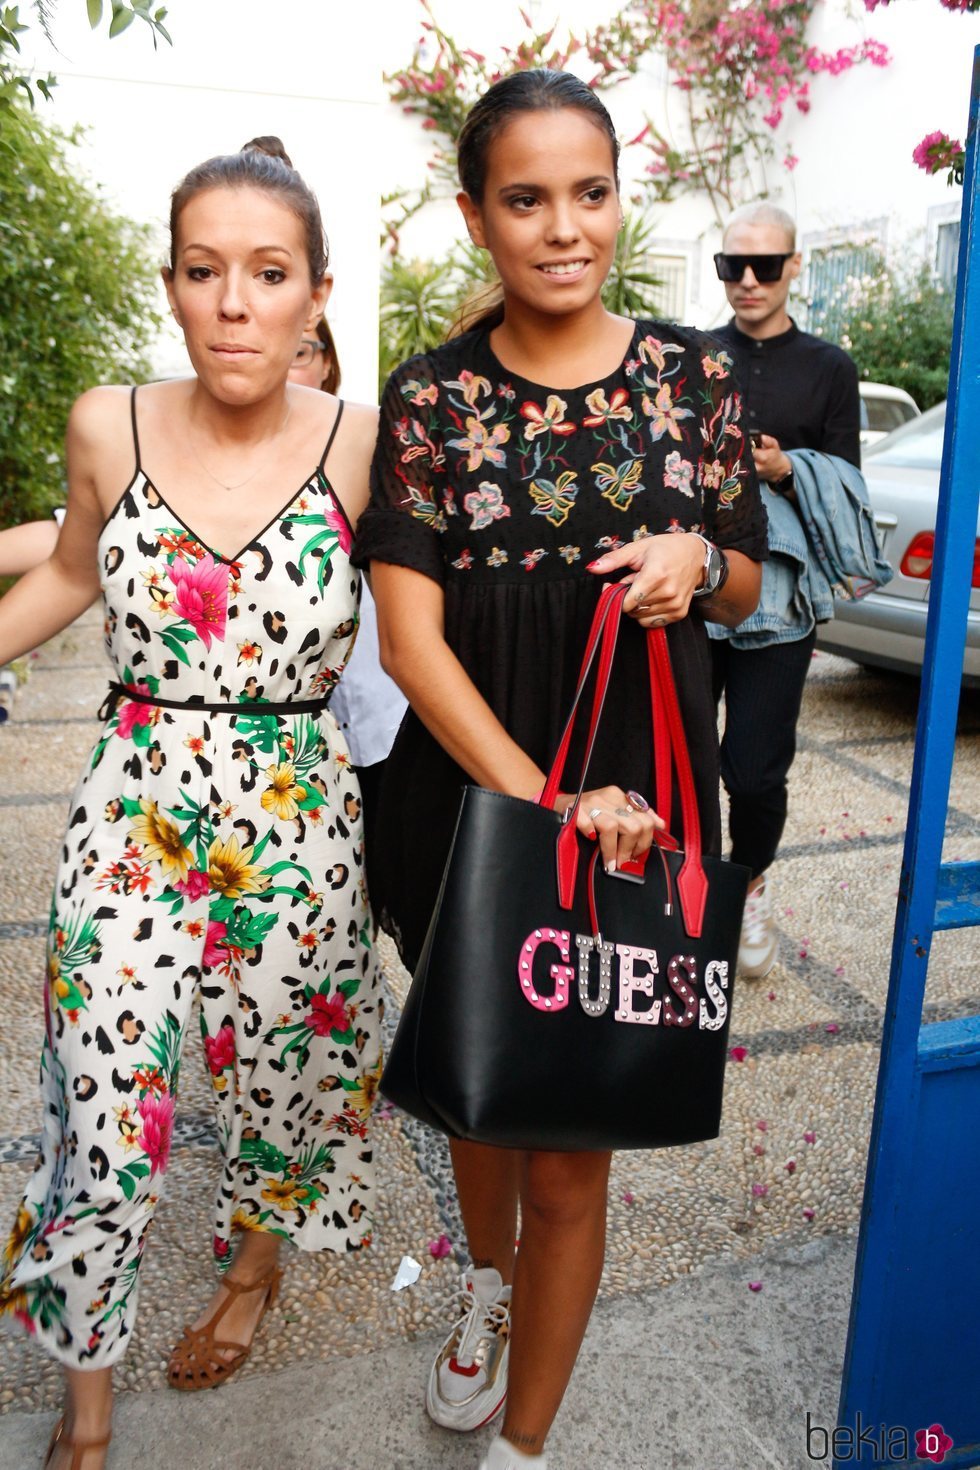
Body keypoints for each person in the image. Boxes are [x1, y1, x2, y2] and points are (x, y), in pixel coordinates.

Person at [353, 69, 767, 1470]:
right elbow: (411, 644)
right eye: (524, 198)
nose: (562, 226)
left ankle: (524, 1449)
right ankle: (485, 1281)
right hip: (476, 792)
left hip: (638, 793)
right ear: (477, 216)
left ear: (616, 197)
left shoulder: (693, 380)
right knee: (484, 1069)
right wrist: (543, 804)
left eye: (587, 191)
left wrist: (698, 561)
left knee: (573, 1134)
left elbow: (750, 580)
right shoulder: (429, 398)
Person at [0, 137, 381, 1470]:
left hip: (296, 825)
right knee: (102, 1111)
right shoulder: (111, 419)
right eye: (206, 270)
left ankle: (251, 1271)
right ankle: (88, 1397)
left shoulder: (362, 443)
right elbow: (65, 571)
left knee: (284, 1087)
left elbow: (471, 601)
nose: (235, 301)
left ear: (314, 294)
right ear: (171, 285)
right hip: (133, 811)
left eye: (267, 273)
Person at [708, 202, 862, 979]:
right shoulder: (691, 354)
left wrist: (786, 468)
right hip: (694, 592)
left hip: (782, 596)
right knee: (681, 751)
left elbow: (849, 483)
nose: (746, 280)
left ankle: (749, 887)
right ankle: (688, 897)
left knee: (757, 768)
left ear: (794, 266)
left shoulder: (830, 368)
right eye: (731, 265)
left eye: (765, 266)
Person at [288, 317, 407, 861]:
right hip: (281, 731)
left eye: (302, 352)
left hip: (381, 712)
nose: (287, 364)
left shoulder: (368, 444)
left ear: (328, 362)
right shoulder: (210, 460)